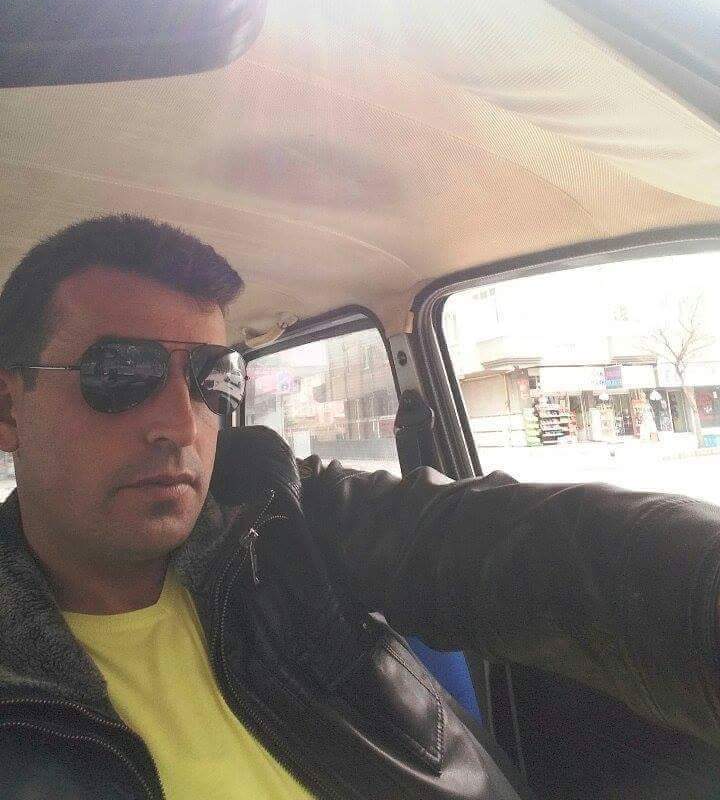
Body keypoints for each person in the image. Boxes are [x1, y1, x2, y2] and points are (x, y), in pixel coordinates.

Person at [0, 215, 719, 800]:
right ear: (8, 408)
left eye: (211, 379)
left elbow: (542, 550)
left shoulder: (279, 518)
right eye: (122, 374)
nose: (181, 424)